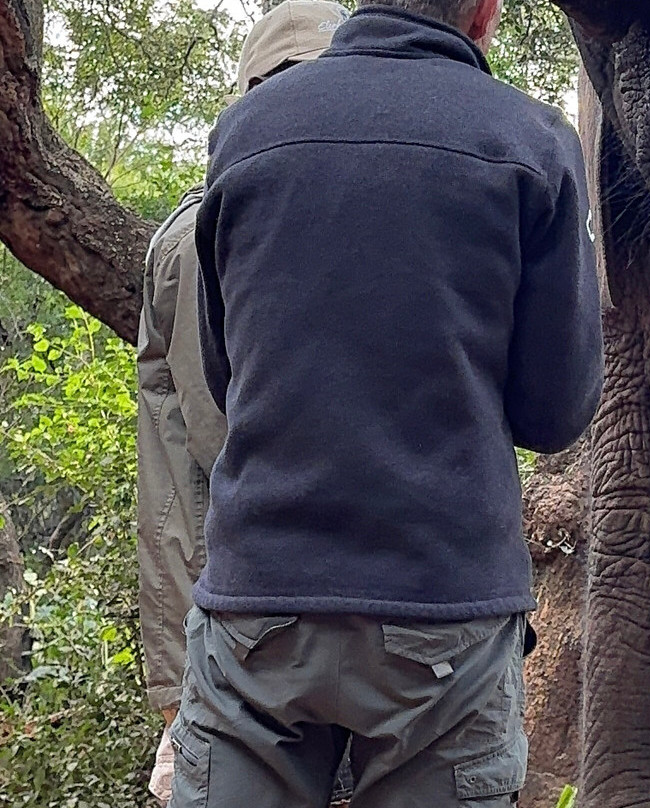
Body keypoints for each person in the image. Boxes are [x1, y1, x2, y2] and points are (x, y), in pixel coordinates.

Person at [168, 0, 605, 804]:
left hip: (260, 600)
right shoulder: (533, 145)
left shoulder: (246, 132)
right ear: (485, 13)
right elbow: (556, 413)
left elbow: (226, 379)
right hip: (442, 607)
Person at [136, 2, 349, 803]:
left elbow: (176, 483)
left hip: (254, 619)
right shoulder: (207, 233)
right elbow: (209, 455)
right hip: (256, 624)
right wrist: (177, 684)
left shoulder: (229, 220)